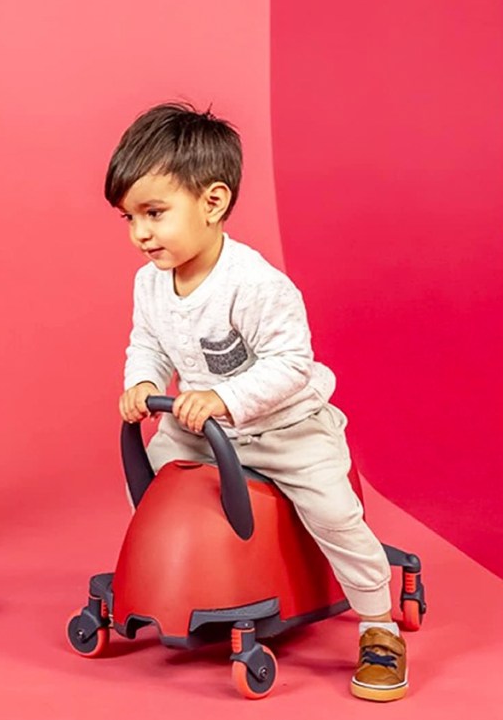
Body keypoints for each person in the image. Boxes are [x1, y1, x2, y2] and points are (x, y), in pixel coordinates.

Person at [109, 103, 408, 702]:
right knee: (150, 485)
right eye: (128, 217)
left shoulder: (257, 285)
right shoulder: (150, 281)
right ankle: (187, 581)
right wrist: (142, 382)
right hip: (201, 427)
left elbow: (291, 365)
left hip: (285, 427)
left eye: (154, 213)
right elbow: (146, 341)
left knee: (334, 513)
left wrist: (222, 397)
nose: (140, 233)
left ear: (213, 203)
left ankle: (379, 623)